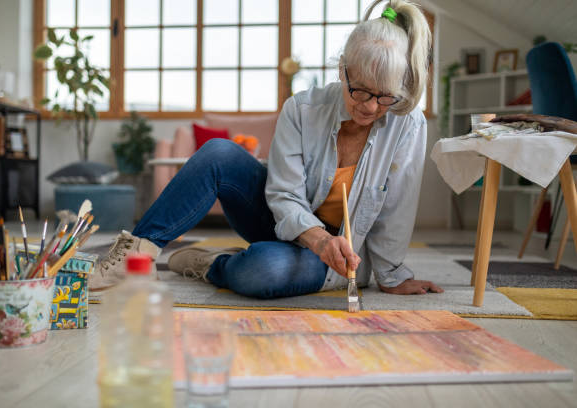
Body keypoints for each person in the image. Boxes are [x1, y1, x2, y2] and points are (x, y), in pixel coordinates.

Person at [90, 0, 444, 297]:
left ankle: (213, 264)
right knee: (218, 153)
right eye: (361, 91)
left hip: (341, 254)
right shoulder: (302, 110)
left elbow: (397, 207)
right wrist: (318, 239)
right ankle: (136, 257)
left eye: (385, 96)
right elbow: (284, 194)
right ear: (343, 71)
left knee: (263, 270)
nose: (370, 106)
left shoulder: (408, 123)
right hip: (283, 222)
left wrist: (392, 276)